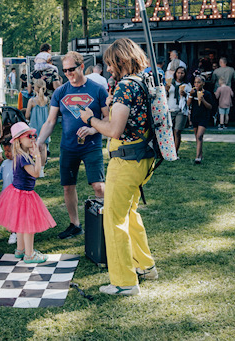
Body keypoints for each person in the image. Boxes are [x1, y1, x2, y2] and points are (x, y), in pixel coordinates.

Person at [78, 38, 158, 296]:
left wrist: (90, 119)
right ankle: (145, 266)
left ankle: (125, 282)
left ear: (121, 60)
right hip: (143, 158)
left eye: (111, 64)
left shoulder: (125, 86)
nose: (109, 69)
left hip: (126, 161)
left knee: (114, 219)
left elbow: (115, 129)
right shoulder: (143, 81)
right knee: (130, 214)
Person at [36, 51, 108, 239]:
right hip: (68, 147)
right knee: (68, 186)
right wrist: (39, 142)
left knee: (99, 186)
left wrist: (93, 129)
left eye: (71, 69)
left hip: (92, 146)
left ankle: (106, 224)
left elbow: (108, 119)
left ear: (81, 66)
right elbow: (50, 121)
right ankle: (75, 225)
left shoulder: (98, 90)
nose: (68, 73)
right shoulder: (60, 92)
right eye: (65, 70)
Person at [0, 122, 56, 263]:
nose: (33, 138)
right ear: (19, 140)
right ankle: (29, 254)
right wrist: (37, 156)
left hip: (17, 193)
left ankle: (20, 249)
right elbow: (36, 173)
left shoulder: (20, 155)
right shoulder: (23, 158)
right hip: (24, 195)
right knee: (28, 225)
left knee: (20, 223)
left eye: (34, 135)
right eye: (29, 136)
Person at [188, 76, 213, 164]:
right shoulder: (193, 93)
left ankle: (197, 157)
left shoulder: (207, 94)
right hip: (195, 116)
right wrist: (190, 95)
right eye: (195, 82)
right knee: (197, 137)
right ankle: (200, 153)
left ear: (203, 83)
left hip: (203, 117)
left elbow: (210, 107)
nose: (196, 84)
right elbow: (188, 104)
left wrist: (202, 100)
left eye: (198, 82)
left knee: (199, 135)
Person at [168, 66, 191, 156]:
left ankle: (175, 152)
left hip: (181, 110)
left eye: (182, 73)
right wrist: (166, 89)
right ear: (175, 73)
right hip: (170, 109)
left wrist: (185, 94)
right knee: (169, 131)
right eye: (178, 73)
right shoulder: (171, 83)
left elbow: (190, 98)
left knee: (177, 131)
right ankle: (168, 150)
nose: (180, 75)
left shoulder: (187, 85)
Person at [0, 139, 17, 244]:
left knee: (16, 213)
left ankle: (16, 232)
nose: (6, 153)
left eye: (9, 151)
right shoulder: (5, 163)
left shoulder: (19, 162)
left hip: (17, 193)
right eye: (5, 151)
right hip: (6, 194)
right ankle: (13, 232)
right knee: (10, 214)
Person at [26, 79, 49, 147]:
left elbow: (27, 115)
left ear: (35, 88)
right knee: (44, 145)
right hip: (45, 126)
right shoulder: (46, 99)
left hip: (34, 125)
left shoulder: (32, 101)